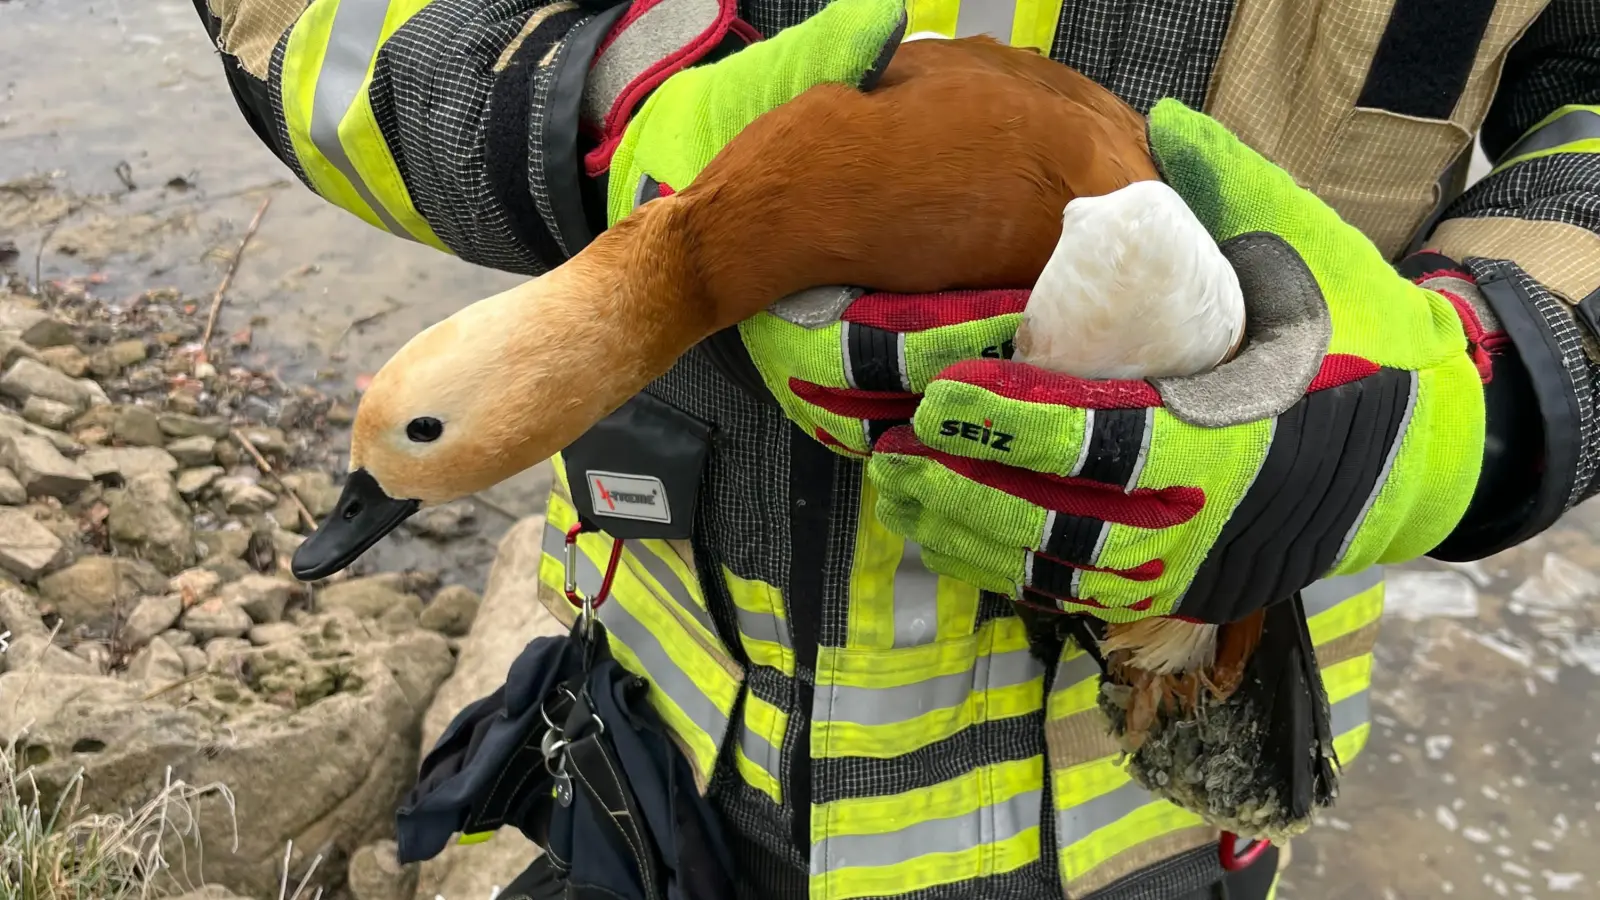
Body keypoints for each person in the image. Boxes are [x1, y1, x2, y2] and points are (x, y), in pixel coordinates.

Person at [190, 0, 1600, 897]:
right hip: (670, 750)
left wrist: (1486, 392)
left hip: (1150, 814)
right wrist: (579, 100)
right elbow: (293, 22)